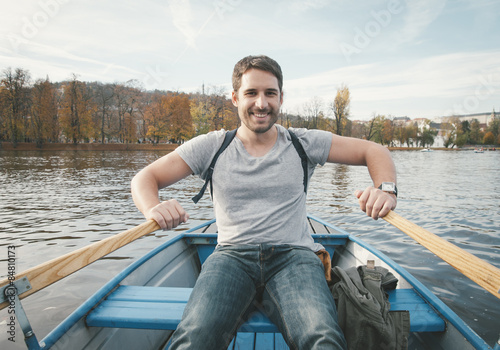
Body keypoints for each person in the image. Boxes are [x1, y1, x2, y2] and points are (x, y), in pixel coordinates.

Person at [131, 55, 397, 349]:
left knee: (322, 338)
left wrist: (385, 190)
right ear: (234, 98)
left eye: (270, 93)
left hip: (294, 258)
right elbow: (145, 178)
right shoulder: (213, 146)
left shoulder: (302, 142)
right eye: (251, 93)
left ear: (281, 97)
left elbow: (374, 150)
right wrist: (152, 207)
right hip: (231, 257)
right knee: (194, 338)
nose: (261, 103)